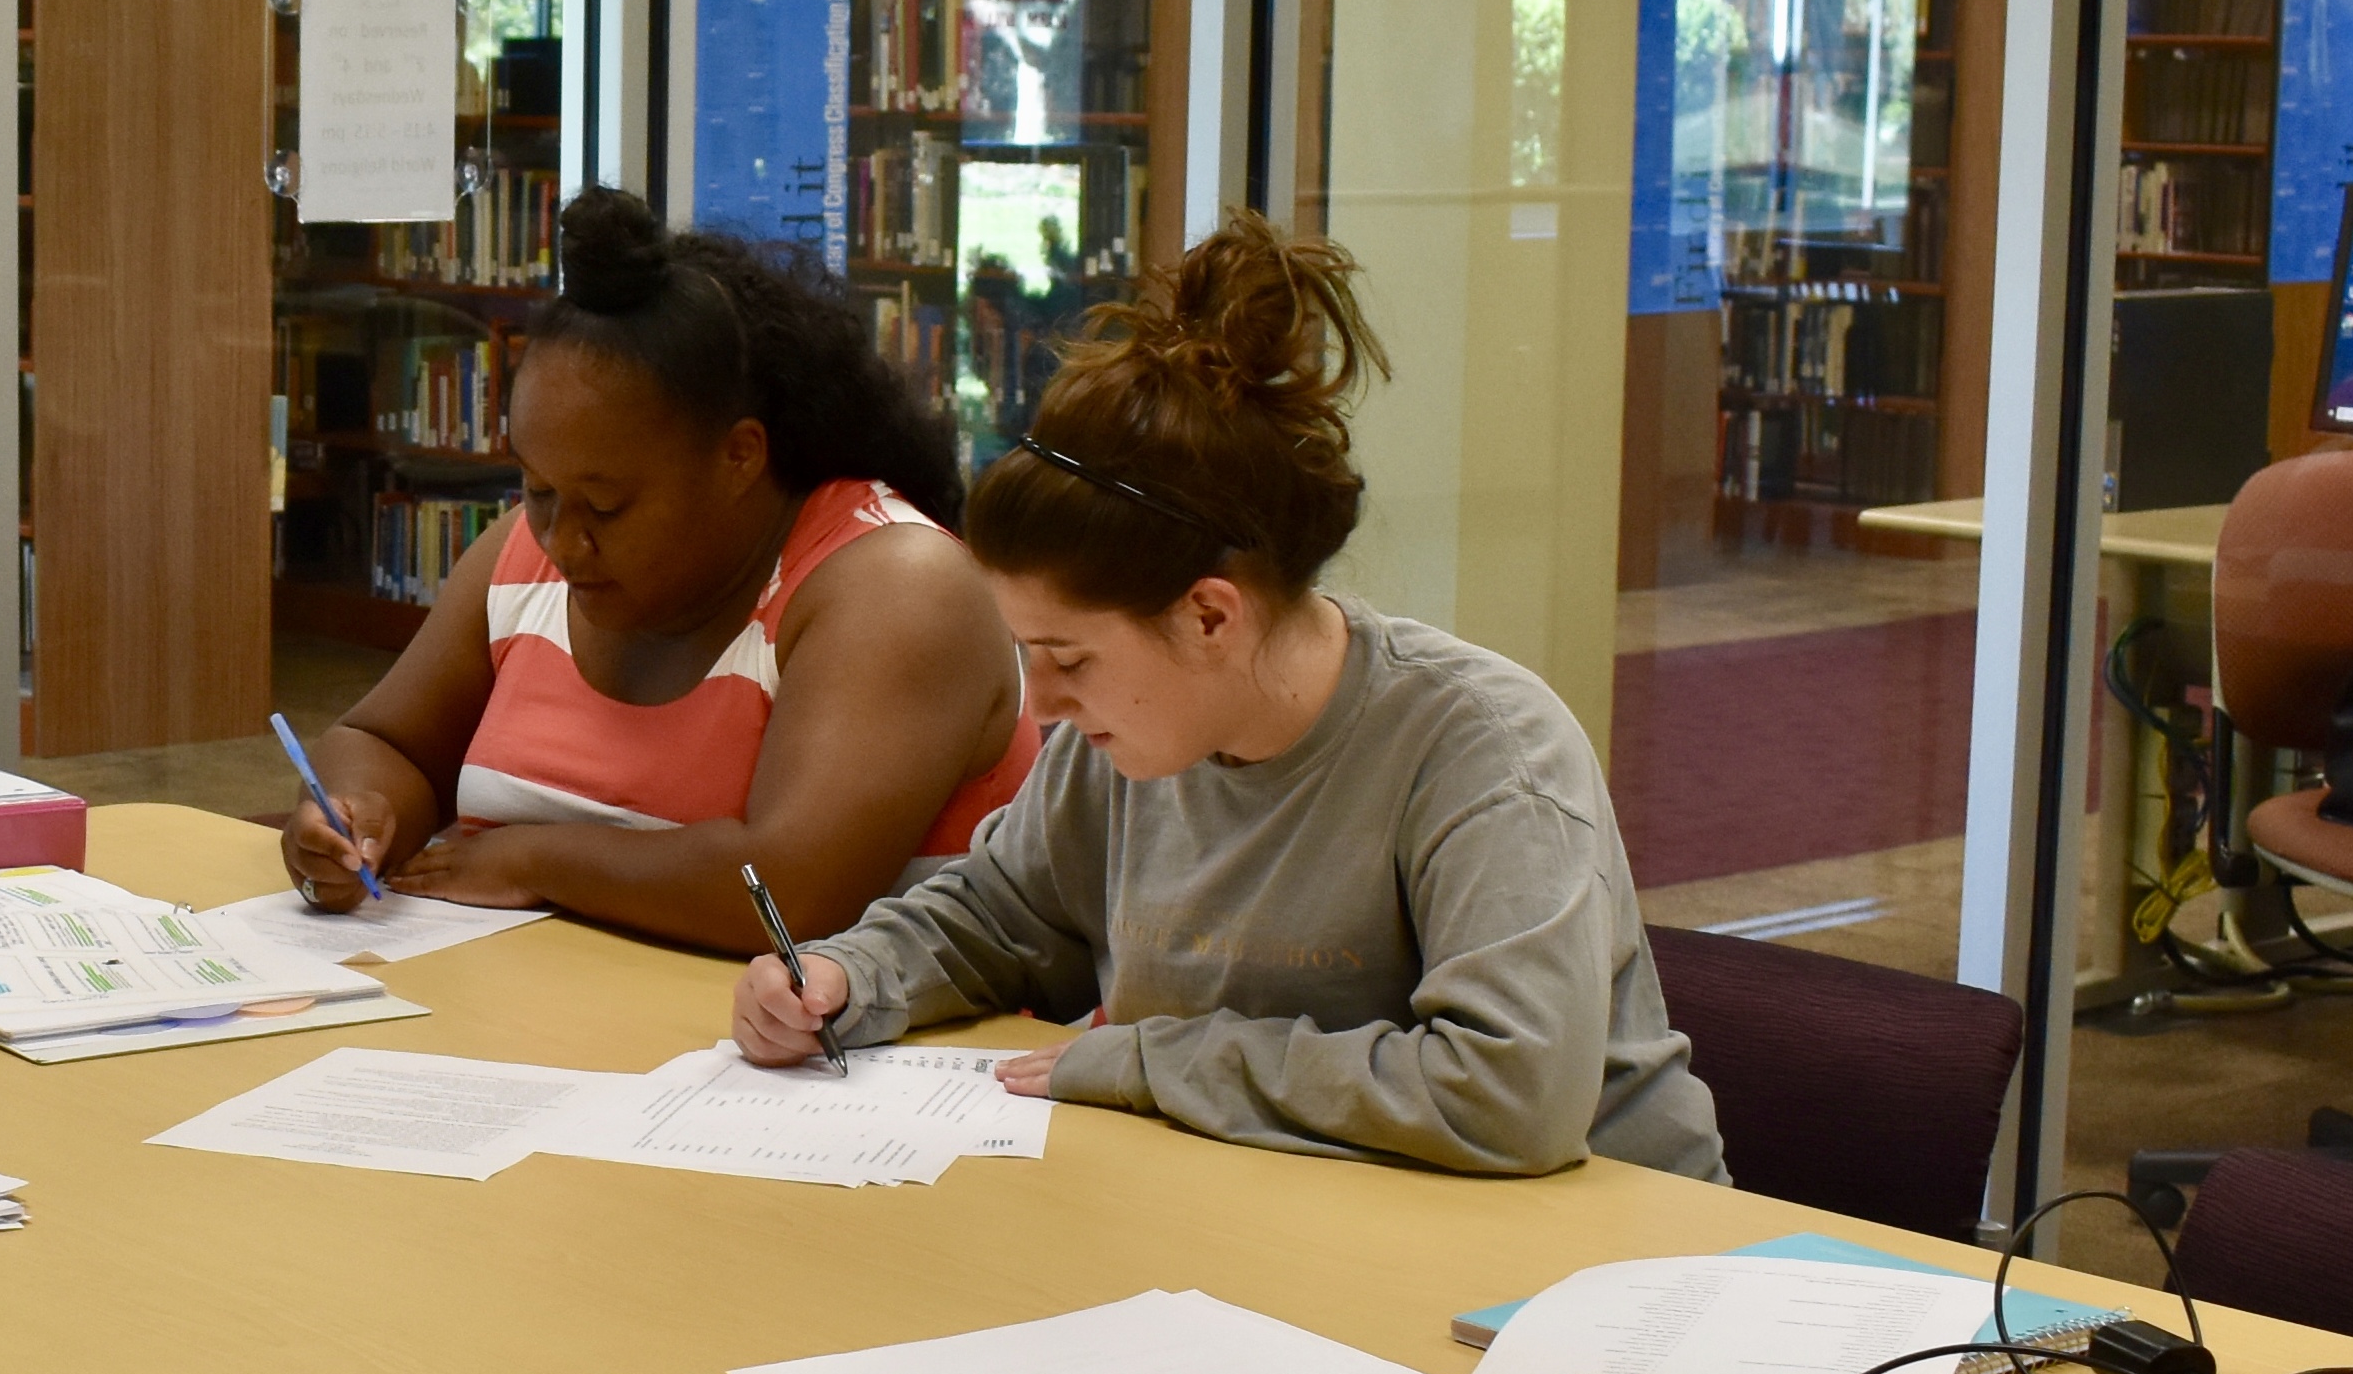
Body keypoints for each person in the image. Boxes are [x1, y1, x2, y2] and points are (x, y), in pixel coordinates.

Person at [731, 216, 1725, 1180]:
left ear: (1210, 617)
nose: (1041, 702)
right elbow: (998, 920)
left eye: (1068, 658)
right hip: (1313, 1225)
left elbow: (1508, 1095)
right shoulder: (1118, 748)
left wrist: (1156, 1059)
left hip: (1596, 1274)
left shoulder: (1482, 752)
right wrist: (848, 977)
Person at [278, 189, 1032, 954]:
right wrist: (354, 814)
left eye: (606, 507)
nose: (563, 542)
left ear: (740, 455)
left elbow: (791, 893)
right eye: (537, 489)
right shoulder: (525, 555)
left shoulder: (896, 584)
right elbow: (388, 741)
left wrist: (535, 858)